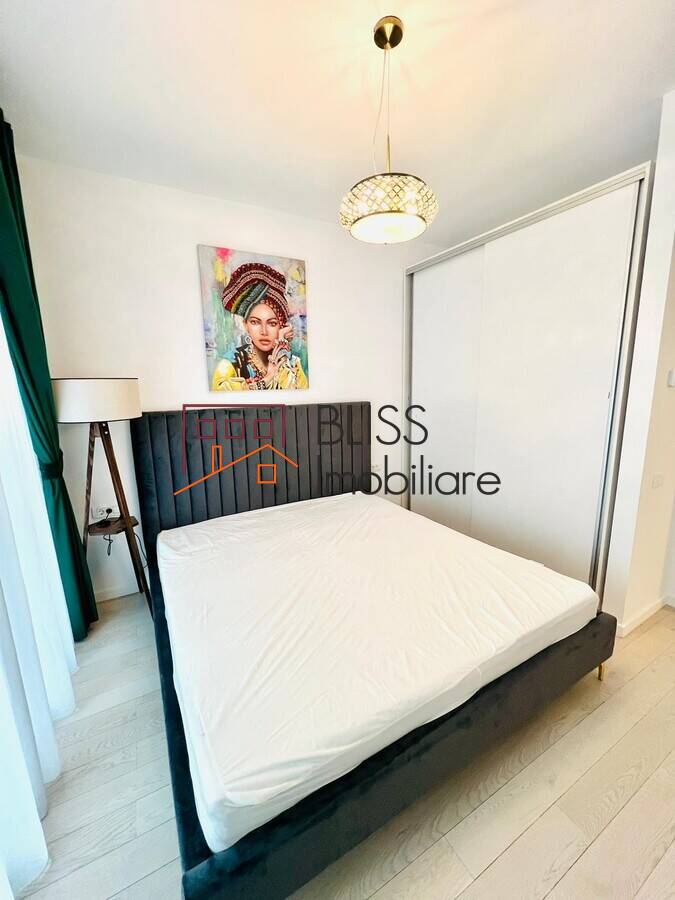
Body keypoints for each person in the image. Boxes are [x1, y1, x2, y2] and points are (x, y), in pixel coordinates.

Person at [211, 262, 308, 391]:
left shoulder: (292, 363)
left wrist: (281, 348)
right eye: (255, 322)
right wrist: (267, 379)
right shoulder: (230, 364)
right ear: (245, 325)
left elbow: (299, 394)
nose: (264, 331)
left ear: (281, 327)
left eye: (272, 323)